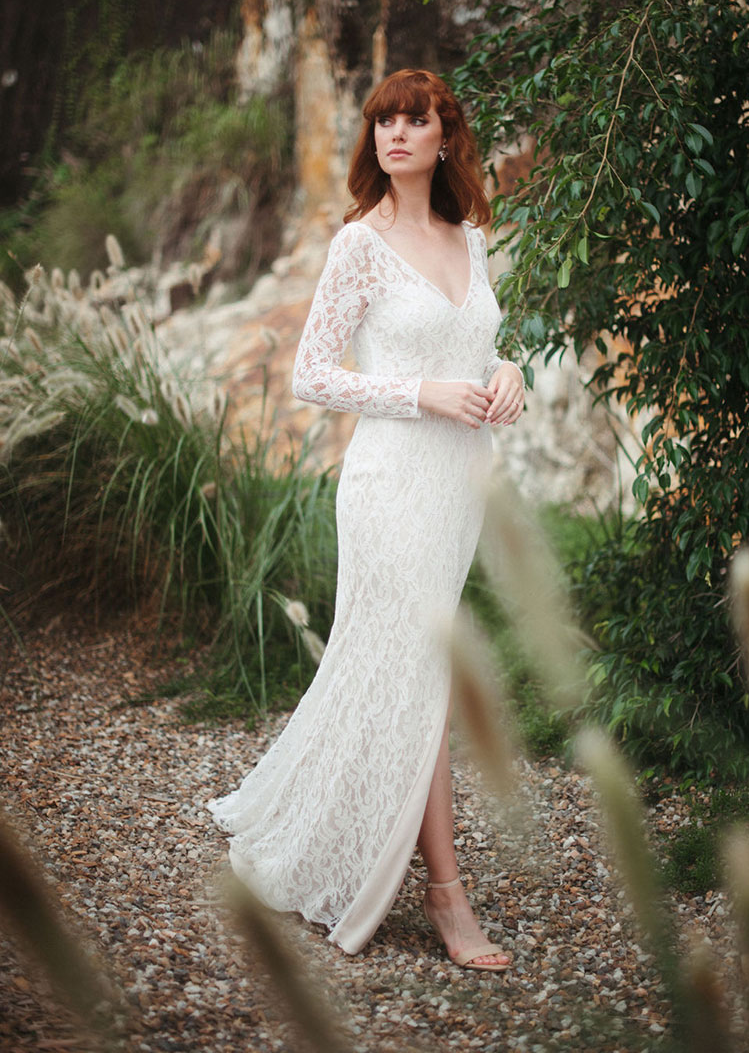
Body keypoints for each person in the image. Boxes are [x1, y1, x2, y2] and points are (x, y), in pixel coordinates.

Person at [208, 69, 524, 971]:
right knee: (421, 673)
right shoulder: (360, 244)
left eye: (414, 120)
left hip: (457, 489)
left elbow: (481, 347)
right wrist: (418, 393)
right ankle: (446, 896)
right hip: (389, 488)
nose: (395, 134)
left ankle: (331, 826)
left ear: (444, 136)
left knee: (400, 674)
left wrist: (513, 378)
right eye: (383, 120)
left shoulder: (472, 237)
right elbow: (313, 373)